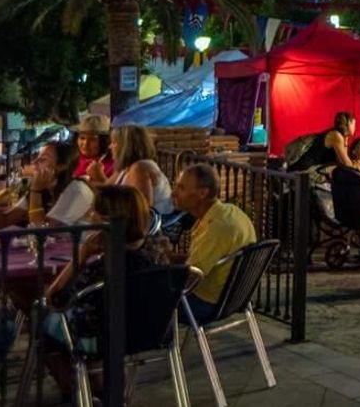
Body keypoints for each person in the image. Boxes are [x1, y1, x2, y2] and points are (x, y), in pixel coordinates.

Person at [40, 185, 162, 390]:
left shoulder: (105, 269)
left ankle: (76, 391)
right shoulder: (155, 253)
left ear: (106, 219)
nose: (89, 216)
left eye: (93, 212)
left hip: (105, 336)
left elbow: (55, 298)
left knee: (42, 319)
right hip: (150, 330)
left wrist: (83, 253)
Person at [174, 163, 257, 325]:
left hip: (206, 303)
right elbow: (208, 259)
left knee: (142, 297)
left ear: (202, 193)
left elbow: (191, 277)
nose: (174, 193)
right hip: (234, 299)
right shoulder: (230, 212)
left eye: (181, 188)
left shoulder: (216, 226)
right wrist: (171, 258)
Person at [107, 124, 173, 219]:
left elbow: (142, 208)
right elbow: (104, 190)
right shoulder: (126, 168)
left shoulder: (139, 168)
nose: (110, 147)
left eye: (114, 143)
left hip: (149, 227)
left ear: (126, 146)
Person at [26, 141, 96, 226]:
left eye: (43, 159)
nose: (34, 163)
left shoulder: (77, 190)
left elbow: (41, 230)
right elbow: (8, 218)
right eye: (37, 158)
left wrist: (35, 191)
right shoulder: (46, 188)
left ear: (61, 166)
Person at [288, 111, 356, 172]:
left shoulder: (340, 136)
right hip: (306, 170)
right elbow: (346, 163)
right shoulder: (336, 136)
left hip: (313, 169)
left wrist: (346, 138)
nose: (355, 128)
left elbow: (342, 162)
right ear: (349, 123)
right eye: (354, 124)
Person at [73, 114, 115, 181]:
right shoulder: (72, 160)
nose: (85, 144)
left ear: (103, 141)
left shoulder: (114, 164)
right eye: (82, 138)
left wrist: (100, 177)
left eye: (92, 139)